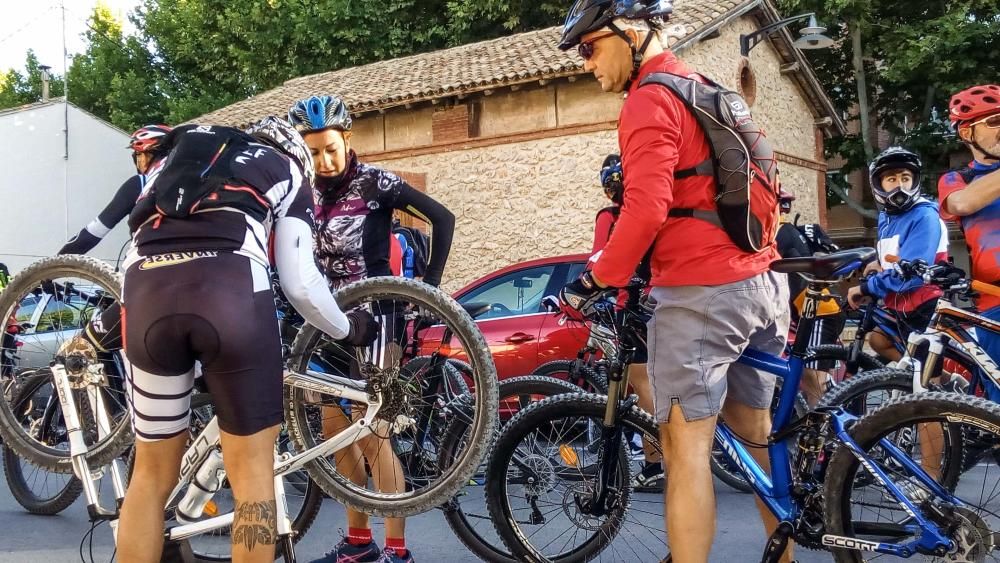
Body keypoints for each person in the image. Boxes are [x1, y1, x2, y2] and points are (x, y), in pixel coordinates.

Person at [77, 118, 378, 563]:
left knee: (150, 475)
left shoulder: (175, 160)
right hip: (232, 293)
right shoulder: (289, 169)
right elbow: (299, 282)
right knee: (252, 472)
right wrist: (349, 329)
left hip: (145, 300)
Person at [556, 2, 789, 562]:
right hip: (760, 286)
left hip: (700, 294)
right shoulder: (706, 90)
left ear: (630, 33)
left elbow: (644, 210)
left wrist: (592, 281)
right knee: (757, 441)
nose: (586, 64)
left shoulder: (650, 98)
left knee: (685, 453)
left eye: (589, 47)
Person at [289, 94, 456, 563]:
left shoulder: (374, 183)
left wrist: (430, 292)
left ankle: (397, 551)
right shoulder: (305, 195)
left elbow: (443, 219)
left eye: (330, 148)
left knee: (373, 434)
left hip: (377, 320)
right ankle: (359, 543)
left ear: (346, 139)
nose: (323, 160)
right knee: (333, 430)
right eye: (313, 151)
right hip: (327, 323)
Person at [592, 154, 662, 488]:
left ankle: (654, 462)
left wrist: (579, 292)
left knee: (640, 380)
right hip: (664, 296)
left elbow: (599, 260)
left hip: (632, 303)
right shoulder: (655, 205)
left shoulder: (610, 216)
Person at [845, 147, 948, 363]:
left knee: (927, 380)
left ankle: (935, 385)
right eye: (891, 179)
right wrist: (879, 262)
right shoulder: (887, 217)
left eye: (905, 178)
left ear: (915, 181)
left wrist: (865, 288)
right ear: (878, 185)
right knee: (878, 341)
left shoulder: (924, 215)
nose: (900, 185)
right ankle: (928, 379)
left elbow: (912, 273)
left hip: (924, 304)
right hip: (899, 304)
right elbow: (898, 256)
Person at [938, 84, 1000, 401]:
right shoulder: (956, 178)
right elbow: (962, 204)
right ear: (966, 133)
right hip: (993, 302)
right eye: (994, 121)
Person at [774, 189, 844, 406]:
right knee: (810, 378)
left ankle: (825, 433)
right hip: (816, 312)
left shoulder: (781, 234)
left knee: (812, 379)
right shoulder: (791, 232)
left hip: (820, 314)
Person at [59, 125, 173, 255]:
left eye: (137, 154)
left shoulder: (141, 183)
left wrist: (49, 269)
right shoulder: (197, 184)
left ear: (144, 155)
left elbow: (93, 233)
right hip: (199, 263)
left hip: (149, 263)